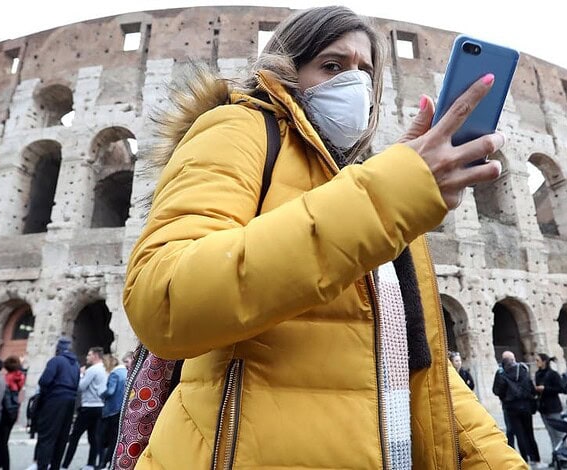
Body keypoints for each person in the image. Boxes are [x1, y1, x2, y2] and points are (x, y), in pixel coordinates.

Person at [122, 5, 523, 468]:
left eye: (365, 72)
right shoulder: (238, 128)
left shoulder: (366, 185)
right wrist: (391, 191)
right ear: (289, 67)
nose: (353, 84)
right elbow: (164, 300)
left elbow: (416, 367)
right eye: (332, 65)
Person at [35, 336, 79, 470]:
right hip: (70, 402)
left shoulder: (56, 361)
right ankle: (55, 466)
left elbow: (44, 381)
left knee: (47, 435)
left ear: (58, 348)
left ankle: (42, 466)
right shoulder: (76, 364)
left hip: (55, 400)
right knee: (62, 436)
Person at [493, 351, 542, 466]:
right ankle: (536, 458)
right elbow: (530, 386)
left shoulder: (501, 373)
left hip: (511, 407)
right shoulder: (523, 369)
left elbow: (497, 390)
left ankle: (525, 460)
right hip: (525, 404)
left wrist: (504, 397)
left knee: (519, 434)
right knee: (529, 432)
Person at [62, 346, 107, 470]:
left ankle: (65, 465)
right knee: (93, 438)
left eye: (89, 355)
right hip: (99, 406)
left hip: (88, 407)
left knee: (74, 437)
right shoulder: (104, 369)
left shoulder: (92, 370)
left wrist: (81, 374)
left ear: (95, 356)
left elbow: (81, 387)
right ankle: (90, 464)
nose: (87, 357)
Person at [0, 355, 25, 470]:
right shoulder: (20, 376)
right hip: (14, 411)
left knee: (1, 442)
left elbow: (4, 397)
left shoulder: (6, 378)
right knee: (4, 440)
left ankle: (6, 466)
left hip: (5, 412)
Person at [99, 353, 128, 468]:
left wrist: (101, 394)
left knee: (103, 438)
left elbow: (110, 391)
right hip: (121, 409)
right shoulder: (125, 372)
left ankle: (102, 463)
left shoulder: (115, 374)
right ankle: (110, 463)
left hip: (112, 409)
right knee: (115, 439)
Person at [534, 353, 564, 452]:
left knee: (558, 432)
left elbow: (561, 388)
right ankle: (556, 453)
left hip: (553, 407)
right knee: (551, 432)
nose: (536, 363)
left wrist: (545, 389)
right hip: (543, 407)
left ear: (544, 362)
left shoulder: (553, 374)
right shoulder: (538, 374)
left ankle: (563, 453)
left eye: (538, 360)